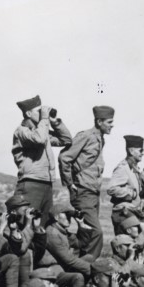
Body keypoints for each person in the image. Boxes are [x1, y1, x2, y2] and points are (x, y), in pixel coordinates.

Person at [58, 105, 115, 258]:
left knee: (86, 233)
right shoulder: (86, 136)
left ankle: (76, 263)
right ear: (99, 122)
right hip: (83, 191)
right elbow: (64, 157)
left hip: (93, 192)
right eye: (109, 122)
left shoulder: (100, 139)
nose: (112, 125)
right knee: (96, 233)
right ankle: (89, 266)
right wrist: (69, 183)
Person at [11, 95, 72, 218]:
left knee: (44, 223)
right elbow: (39, 139)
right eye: (39, 111)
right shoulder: (22, 131)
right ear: (28, 113)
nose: (42, 114)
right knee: (27, 221)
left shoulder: (42, 131)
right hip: (30, 182)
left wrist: (55, 122)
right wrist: (44, 119)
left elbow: (66, 140)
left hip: (46, 182)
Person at [107, 134, 144, 235]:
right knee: (125, 242)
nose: (143, 153)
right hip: (123, 213)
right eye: (141, 150)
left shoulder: (134, 168)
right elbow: (111, 188)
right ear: (131, 151)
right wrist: (131, 193)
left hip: (131, 213)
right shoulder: (123, 168)